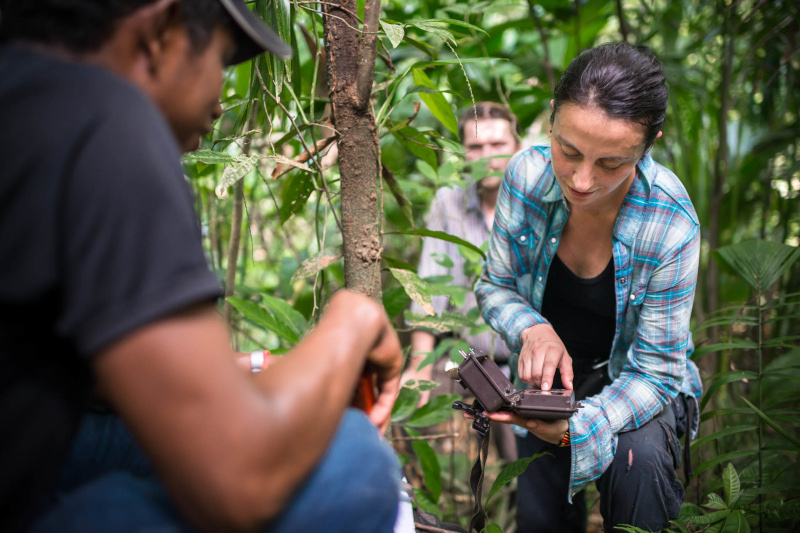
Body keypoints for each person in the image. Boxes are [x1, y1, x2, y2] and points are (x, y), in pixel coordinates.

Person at [0, 1, 403, 532]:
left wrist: (255, 369)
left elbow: (50, 366)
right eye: (220, 57)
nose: (218, 104)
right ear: (160, 32)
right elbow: (242, 479)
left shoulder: (25, 94)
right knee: (349, 459)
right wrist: (352, 319)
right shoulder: (103, 117)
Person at [474, 43, 702, 532]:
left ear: (648, 145)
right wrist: (533, 329)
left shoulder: (670, 225)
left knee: (637, 463)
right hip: (547, 383)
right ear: (553, 118)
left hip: (635, 381)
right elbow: (495, 284)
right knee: (542, 516)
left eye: (611, 164)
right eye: (569, 151)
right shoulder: (526, 176)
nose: (581, 181)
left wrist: (580, 428)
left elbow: (659, 371)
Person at [402, 102, 521, 461]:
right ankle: (430, 506)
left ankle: (522, 508)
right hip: (462, 357)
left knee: (532, 458)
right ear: (463, 154)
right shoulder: (448, 202)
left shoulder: (536, 201)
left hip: (519, 362)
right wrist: (417, 367)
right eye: (476, 147)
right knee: (410, 411)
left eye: (498, 145)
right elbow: (429, 289)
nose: (487, 157)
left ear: (517, 147)